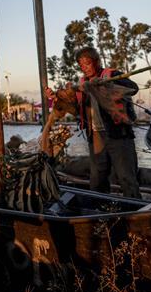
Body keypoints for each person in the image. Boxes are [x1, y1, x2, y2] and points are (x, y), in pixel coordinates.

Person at [47, 47, 141, 198]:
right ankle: (100, 206)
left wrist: (105, 85)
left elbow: (133, 88)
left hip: (119, 134)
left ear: (96, 62)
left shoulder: (111, 75)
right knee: (97, 177)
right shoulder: (82, 84)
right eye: (81, 65)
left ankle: (135, 207)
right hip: (95, 135)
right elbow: (75, 108)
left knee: (126, 176)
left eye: (87, 63)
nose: (84, 68)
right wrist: (56, 97)